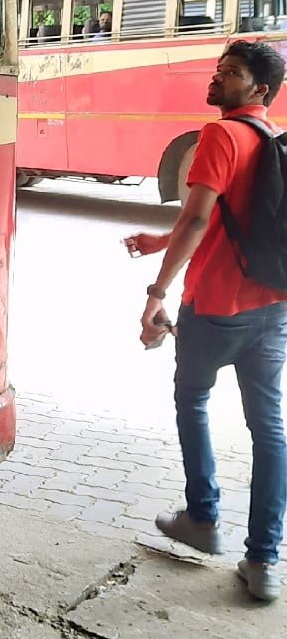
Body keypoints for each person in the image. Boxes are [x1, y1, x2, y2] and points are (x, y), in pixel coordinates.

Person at [126, 40, 287, 602]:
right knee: (269, 430)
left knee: (192, 400)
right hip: (272, 309)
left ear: (259, 89)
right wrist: (159, 242)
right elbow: (223, 217)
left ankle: (203, 516)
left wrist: (157, 292)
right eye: (219, 69)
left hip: (215, 309)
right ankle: (264, 561)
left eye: (233, 73)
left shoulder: (220, 135)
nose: (218, 78)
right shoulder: (270, 139)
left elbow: (198, 216)